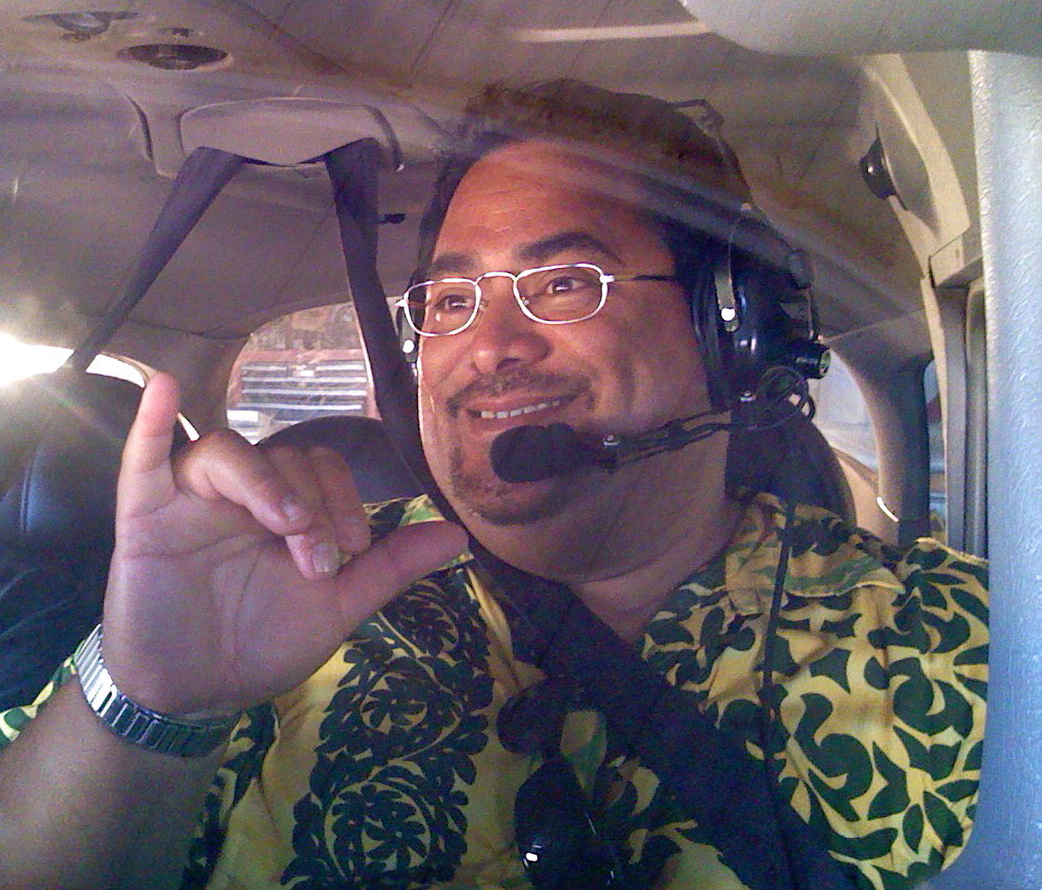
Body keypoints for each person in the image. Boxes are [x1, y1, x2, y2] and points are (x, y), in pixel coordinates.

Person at [0, 80, 987, 890]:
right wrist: (153, 698)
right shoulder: (288, 587)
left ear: (727, 325)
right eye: (452, 299)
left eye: (564, 283)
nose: (487, 347)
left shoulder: (938, 639)